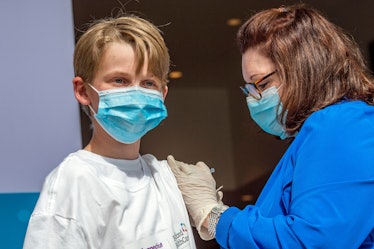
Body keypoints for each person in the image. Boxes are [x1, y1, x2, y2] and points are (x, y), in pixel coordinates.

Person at [167, 4, 374, 248]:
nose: (253, 99)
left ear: (304, 67)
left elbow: (311, 241)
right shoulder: (317, 135)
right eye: (249, 89)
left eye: (262, 84)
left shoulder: (342, 124)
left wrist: (215, 216)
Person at [23, 15, 196, 249]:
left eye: (148, 83)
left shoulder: (164, 176)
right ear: (83, 90)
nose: (136, 93)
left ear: (162, 95)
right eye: (119, 80)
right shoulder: (74, 184)